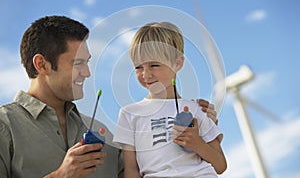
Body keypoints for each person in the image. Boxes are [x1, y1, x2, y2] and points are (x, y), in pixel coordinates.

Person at [0, 16, 218, 178]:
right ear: (42, 65)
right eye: (78, 63)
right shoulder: (5, 125)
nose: (87, 73)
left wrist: (200, 126)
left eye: (87, 62)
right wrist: (60, 176)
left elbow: (152, 167)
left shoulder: (100, 130)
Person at [113, 22, 227, 178]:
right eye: (138, 67)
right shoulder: (129, 114)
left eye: (154, 65)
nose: (146, 74)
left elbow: (220, 165)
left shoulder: (196, 108)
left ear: (177, 63)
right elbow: (131, 170)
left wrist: (198, 144)